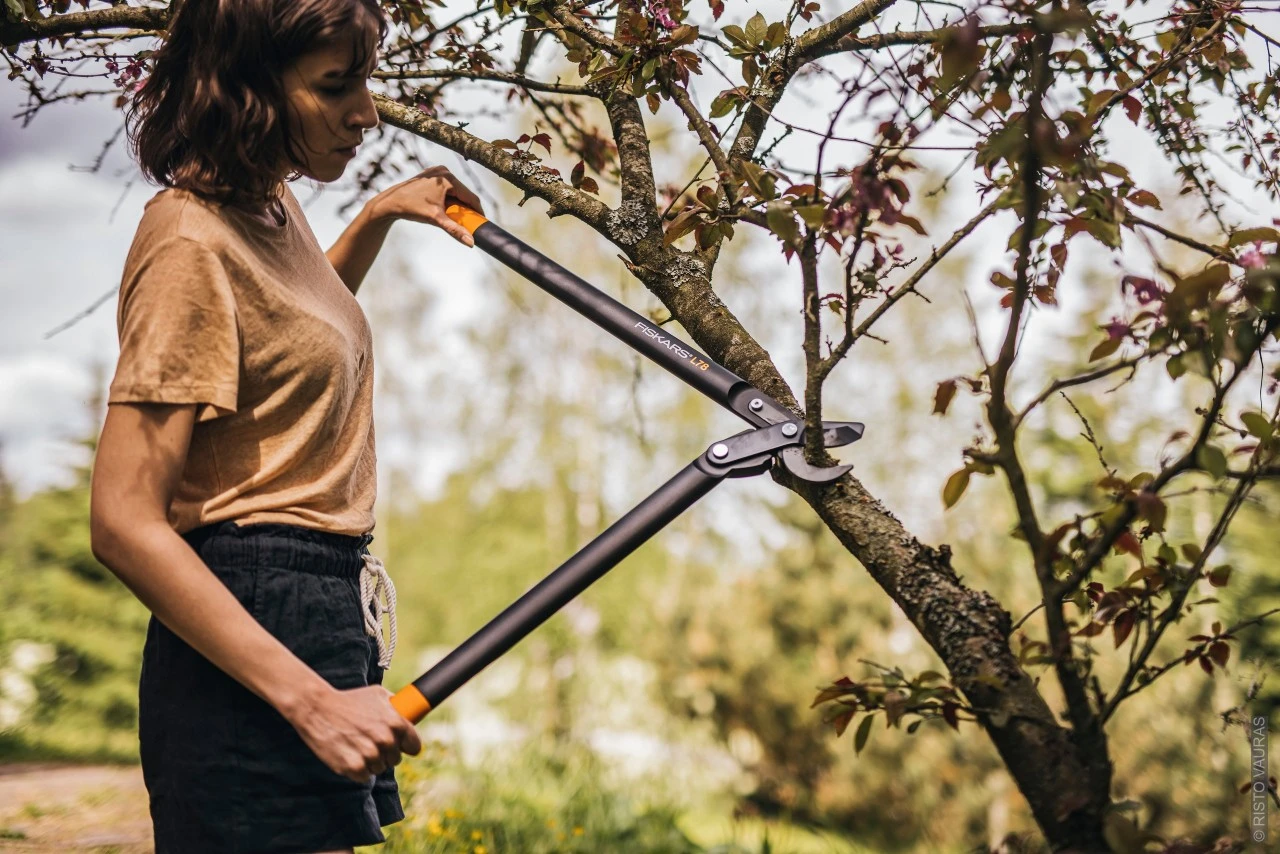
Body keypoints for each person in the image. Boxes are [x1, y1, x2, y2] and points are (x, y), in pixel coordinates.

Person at [88, 1, 485, 851]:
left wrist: (378, 216)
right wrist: (309, 699)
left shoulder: (268, 206)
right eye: (335, 86)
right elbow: (122, 521)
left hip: (316, 607)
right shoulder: (190, 241)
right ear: (248, 90)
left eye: (365, 79)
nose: (366, 112)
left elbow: (283, 337)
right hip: (252, 617)